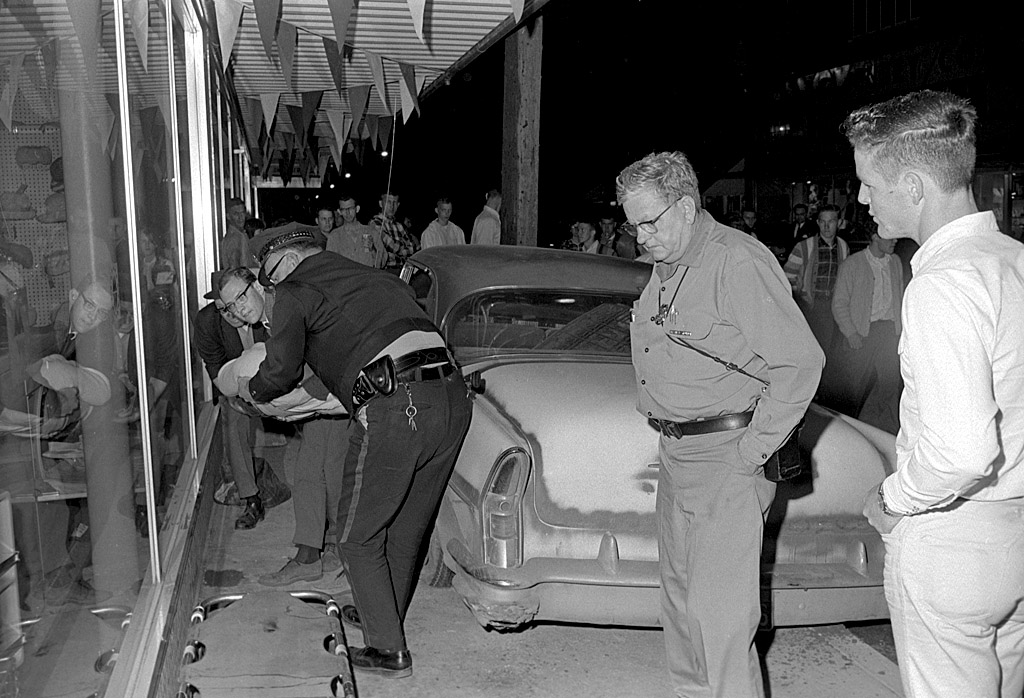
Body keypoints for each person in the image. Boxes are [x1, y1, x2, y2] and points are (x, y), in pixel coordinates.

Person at [617, 151, 822, 698]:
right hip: (678, 456)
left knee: (722, 620)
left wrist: (752, 452)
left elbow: (800, 364)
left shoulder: (737, 261)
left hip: (726, 455)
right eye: (632, 224)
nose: (640, 238)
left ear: (685, 207)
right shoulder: (668, 265)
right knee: (681, 607)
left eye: (649, 222)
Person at [237, 226, 472, 678]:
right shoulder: (377, 278)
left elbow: (280, 371)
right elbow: (348, 349)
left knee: (353, 535)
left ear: (284, 262)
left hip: (397, 405)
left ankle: (387, 652)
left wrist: (252, 391)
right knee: (404, 529)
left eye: (268, 277)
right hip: (452, 399)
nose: (270, 288)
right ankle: (380, 616)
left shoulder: (295, 289)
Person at [850, 90, 1024, 698]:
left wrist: (893, 499)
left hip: (956, 541)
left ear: (915, 187)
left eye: (869, 183)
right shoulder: (1012, 261)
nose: (863, 198)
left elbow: (959, 451)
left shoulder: (943, 283)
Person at [216, 264, 345, 583]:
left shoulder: (282, 306)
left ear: (257, 286)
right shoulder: (268, 314)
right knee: (316, 469)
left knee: (330, 468)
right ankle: (319, 552)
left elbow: (318, 355)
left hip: (336, 386)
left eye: (241, 297)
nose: (238, 309)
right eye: (231, 306)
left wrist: (284, 401)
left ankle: (331, 552)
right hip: (324, 390)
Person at [193, 270, 271, 530]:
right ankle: (250, 498)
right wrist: (238, 397)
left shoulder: (264, 308)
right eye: (223, 310)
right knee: (233, 417)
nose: (231, 314)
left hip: (277, 380)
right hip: (238, 387)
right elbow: (215, 370)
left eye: (233, 306)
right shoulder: (206, 323)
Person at [830, 228, 903, 434]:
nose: (895, 239)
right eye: (890, 235)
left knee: (890, 386)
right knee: (855, 388)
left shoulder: (895, 261)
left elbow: (900, 296)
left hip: (889, 333)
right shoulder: (852, 264)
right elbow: (839, 303)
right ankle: (850, 435)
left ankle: (887, 435)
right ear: (874, 237)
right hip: (862, 333)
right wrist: (851, 333)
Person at [783, 203, 850, 355]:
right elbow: (787, 277)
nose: (827, 226)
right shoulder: (804, 246)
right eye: (823, 221)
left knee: (832, 349)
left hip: (835, 306)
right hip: (812, 305)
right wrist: (801, 299)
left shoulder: (843, 246)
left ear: (838, 223)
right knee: (814, 350)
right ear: (818, 222)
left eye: (831, 221)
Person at [370, 191, 418, 272]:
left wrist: (400, 251)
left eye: (394, 202)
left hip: (403, 269)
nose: (391, 206)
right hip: (386, 270)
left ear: (398, 205)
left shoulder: (399, 225)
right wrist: (405, 249)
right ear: (381, 203)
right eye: (388, 202)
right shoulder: (375, 224)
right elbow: (393, 247)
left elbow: (412, 248)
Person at [327, 194, 378, 266]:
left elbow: (382, 261)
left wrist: (373, 249)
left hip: (367, 275)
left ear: (357, 209)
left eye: (350, 208)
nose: (347, 213)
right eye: (343, 209)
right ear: (339, 211)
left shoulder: (372, 232)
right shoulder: (334, 236)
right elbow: (329, 263)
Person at [220, 197, 253, 269]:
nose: (240, 217)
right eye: (236, 214)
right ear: (228, 216)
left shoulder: (241, 234)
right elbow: (234, 270)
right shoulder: (235, 238)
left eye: (242, 213)